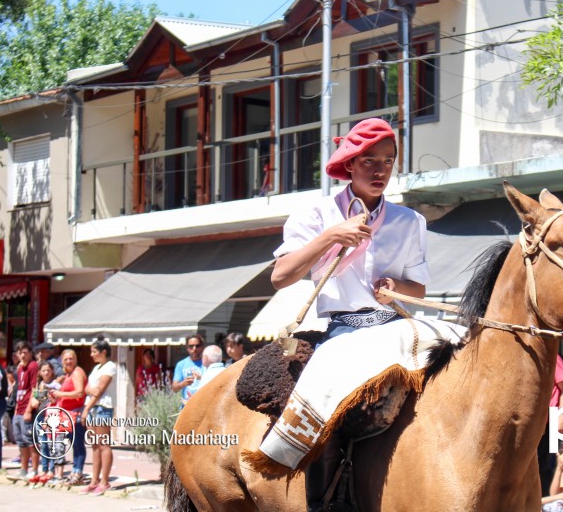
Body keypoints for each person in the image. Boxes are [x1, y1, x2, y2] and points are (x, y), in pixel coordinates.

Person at [253, 118, 455, 510]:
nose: (380, 170)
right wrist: (331, 236)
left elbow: (418, 290)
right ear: (349, 164)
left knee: (461, 347)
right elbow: (280, 276)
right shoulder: (316, 215)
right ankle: (323, 502)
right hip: (343, 331)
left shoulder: (410, 221)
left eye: (388, 160)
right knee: (325, 398)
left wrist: (395, 288)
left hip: (396, 325)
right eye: (369, 161)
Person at [48, 349, 87, 485]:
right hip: (67, 414)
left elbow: (80, 392)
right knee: (73, 444)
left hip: (76, 413)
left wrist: (61, 394)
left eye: (71, 358)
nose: (69, 361)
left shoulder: (77, 372)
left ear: (76, 360)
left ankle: (78, 472)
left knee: (78, 444)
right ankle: (74, 471)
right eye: (66, 359)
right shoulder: (68, 375)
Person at [82, 338, 116, 496]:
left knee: (103, 444)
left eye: (94, 351)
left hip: (102, 408)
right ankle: (94, 480)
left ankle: (104, 482)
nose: (91, 354)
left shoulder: (110, 367)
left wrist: (86, 408)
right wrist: (90, 391)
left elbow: (100, 390)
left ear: (103, 352)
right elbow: (88, 388)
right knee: (95, 445)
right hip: (92, 407)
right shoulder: (96, 368)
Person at [538, 354, 563, 497]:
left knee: (548, 464)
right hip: (535, 423)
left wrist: (562, 417)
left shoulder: (554, 358)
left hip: (551, 421)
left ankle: (546, 500)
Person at [29, 361, 62, 484]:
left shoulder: (56, 385)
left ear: (52, 371)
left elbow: (57, 399)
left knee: (50, 443)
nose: (46, 372)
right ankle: (44, 468)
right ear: (40, 372)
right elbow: (34, 400)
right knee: (42, 444)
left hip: (51, 416)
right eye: (44, 370)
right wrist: (35, 399)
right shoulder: (39, 385)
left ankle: (52, 470)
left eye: (48, 370)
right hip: (39, 416)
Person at [10, 341, 39, 481]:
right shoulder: (20, 368)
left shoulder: (33, 366)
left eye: (25, 352)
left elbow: (35, 389)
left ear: (30, 353)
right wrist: (17, 408)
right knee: (21, 441)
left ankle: (35, 470)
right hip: (19, 407)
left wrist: (28, 410)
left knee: (31, 441)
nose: (22, 355)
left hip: (27, 408)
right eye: (20, 352)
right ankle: (23, 469)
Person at [172, 334, 204, 407]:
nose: (194, 348)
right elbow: (174, 388)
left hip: (204, 406)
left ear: (202, 347)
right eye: (191, 346)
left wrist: (201, 378)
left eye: (197, 346)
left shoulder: (207, 363)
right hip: (187, 407)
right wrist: (183, 383)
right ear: (187, 348)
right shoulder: (181, 364)